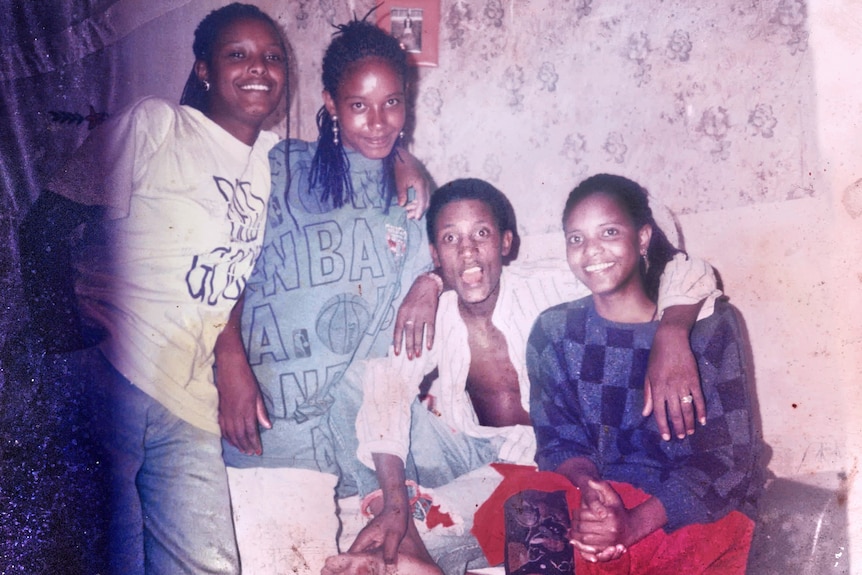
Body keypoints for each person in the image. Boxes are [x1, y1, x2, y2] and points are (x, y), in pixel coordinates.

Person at [17, 4, 288, 573]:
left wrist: (230, 353)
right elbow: (43, 227)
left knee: (207, 564)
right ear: (205, 69)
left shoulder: (269, 161)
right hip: (113, 384)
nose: (258, 67)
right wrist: (64, 345)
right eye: (237, 54)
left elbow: (229, 266)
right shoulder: (158, 125)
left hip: (189, 397)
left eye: (272, 56)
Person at [343, 178, 722, 575]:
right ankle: (394, 516)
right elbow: (386, 387)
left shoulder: (552, 284)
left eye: (482, 234)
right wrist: (393, 503)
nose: (468, 250)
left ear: (506, 242)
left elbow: (685, 268)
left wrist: (674, 330)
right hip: (480, 453)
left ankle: (415, 545)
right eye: (451, 238)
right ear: (435, 254)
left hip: (553, 465)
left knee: (425, 544)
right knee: (364, 381)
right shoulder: (432, 313)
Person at [213, 15, 434, 574]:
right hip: (259, 428)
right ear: (331, 103)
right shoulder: (278, 167)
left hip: (333, 445)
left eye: (393, 103)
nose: (380, 122)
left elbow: (385, 371)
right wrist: (229, 355)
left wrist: (432, 279)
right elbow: (219, 261)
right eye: (359, 105)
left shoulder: (407, 213)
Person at [479, 173, 760, 574]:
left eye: (609, 232)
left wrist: (632, 525)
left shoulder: (710, 328)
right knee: (526, 505)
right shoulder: (555, 332)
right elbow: (559, 442)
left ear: (643, 238)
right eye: (576, 238)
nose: (591, 251)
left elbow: (727, 462)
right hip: (602, 511)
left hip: (682, 511)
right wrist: (591, 491)